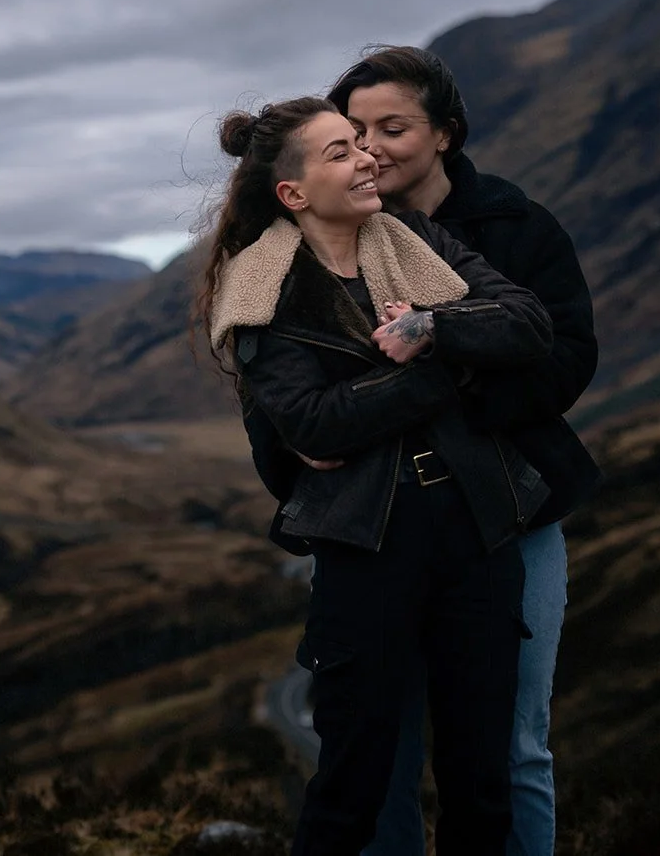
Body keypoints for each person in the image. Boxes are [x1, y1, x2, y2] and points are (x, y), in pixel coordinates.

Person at [246, 47, 602, 856]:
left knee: (509, 746)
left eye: (392, 128)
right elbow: (278, 405)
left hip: (507, 510)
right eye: (353, 132)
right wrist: (302, 458)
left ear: (445, 133)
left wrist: (443, 372)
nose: (372, 147)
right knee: (381, 749)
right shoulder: (293, 257)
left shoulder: (512, 228)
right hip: (382, 525)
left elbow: (561, 356)